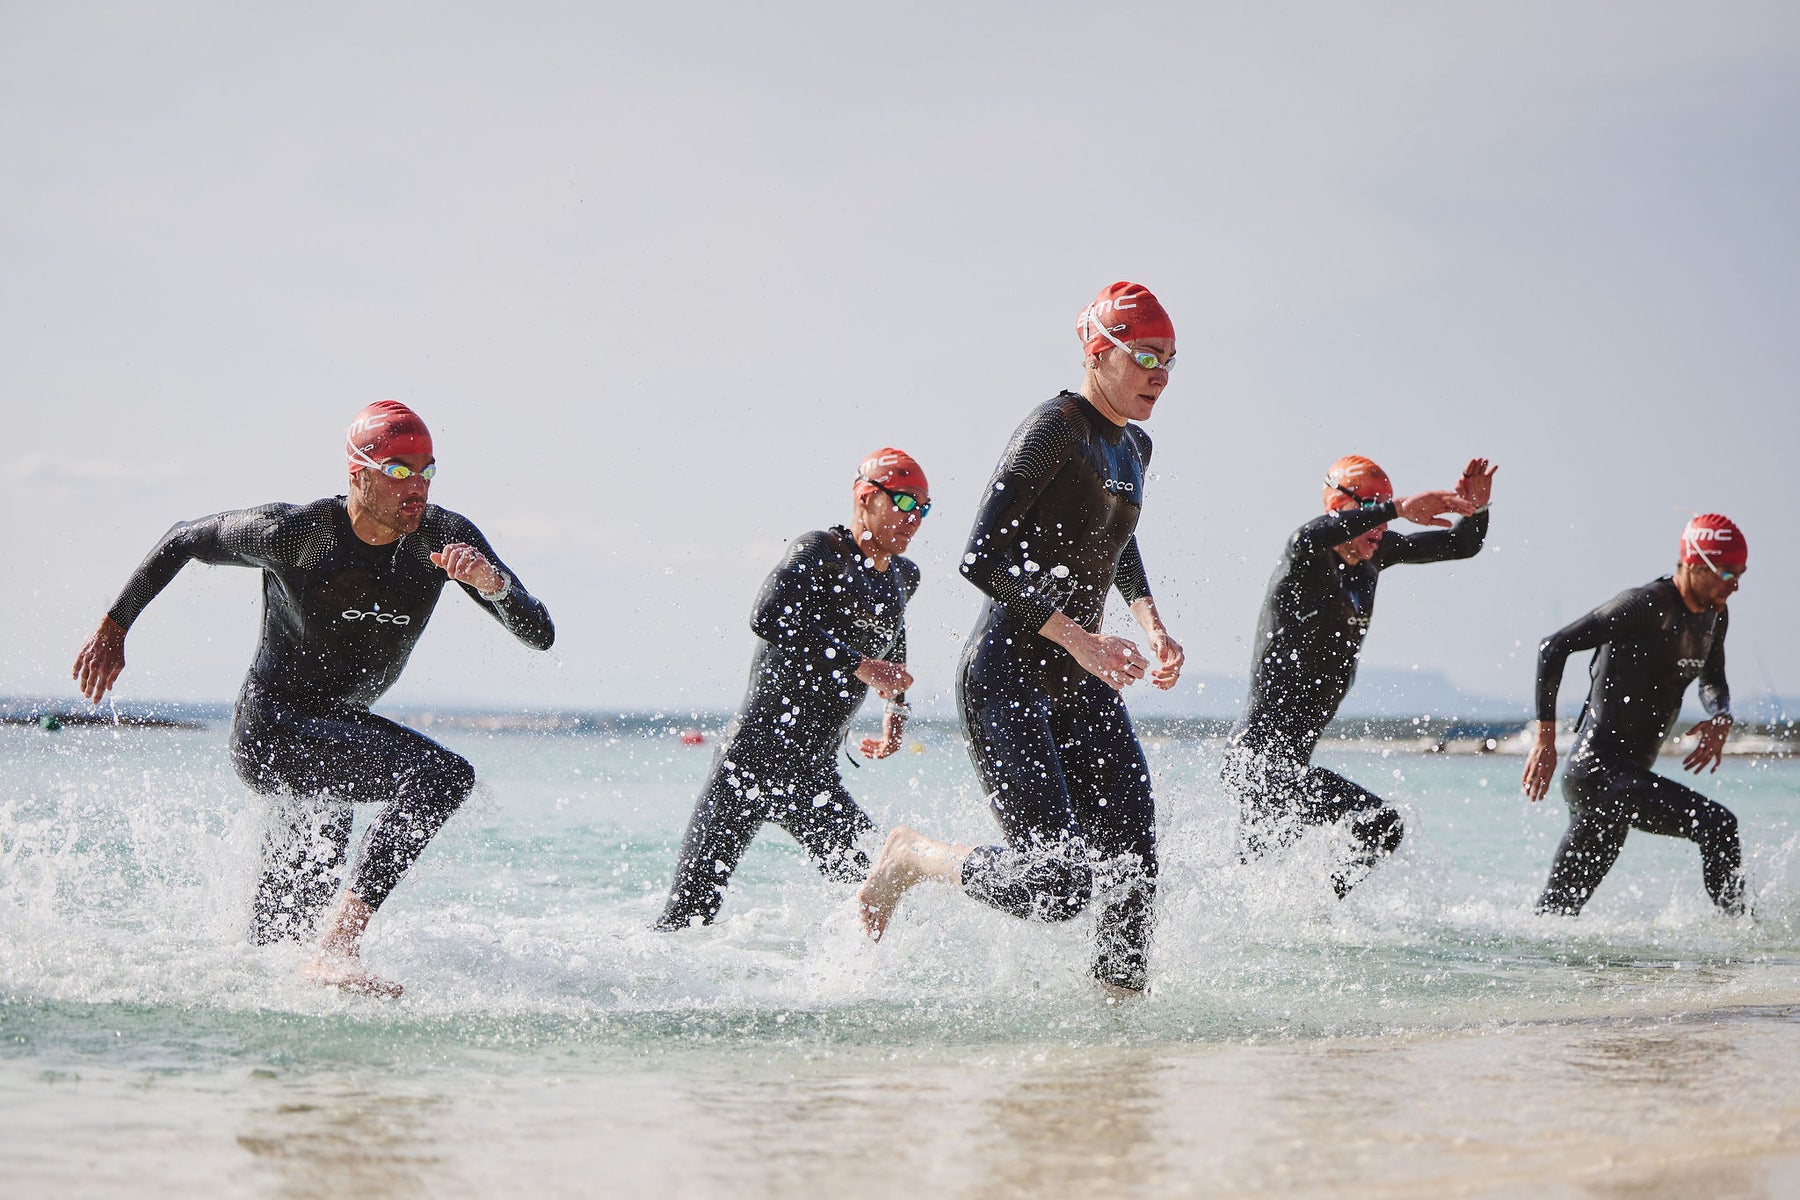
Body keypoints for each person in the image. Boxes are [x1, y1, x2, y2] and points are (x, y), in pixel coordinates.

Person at [71, 401, 554, 996]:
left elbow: (541, 633)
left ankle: (289, 1064)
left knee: (273, 956)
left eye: (427, 470)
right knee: (439, 777)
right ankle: (341, 945)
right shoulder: (298, 534)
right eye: (399, 470)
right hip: (274, 730)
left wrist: (493, 587)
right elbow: (185, 539)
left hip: (337, 737)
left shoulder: (444, 540)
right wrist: (115, 626)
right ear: (358, 474)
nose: (417, 486)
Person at [858, 281, 1185, 997]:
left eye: (1169, 359)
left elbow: (1115, 540)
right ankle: (911, 856)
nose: (1159, 374)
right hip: (1007, 674)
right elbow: (980, 557)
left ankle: (1117, 1058)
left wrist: (1150, 622)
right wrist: (1080, 640)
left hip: (1079, 673)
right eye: (1145, 355)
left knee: (1133, 866)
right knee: (1058, 886)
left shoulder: (1136, 446)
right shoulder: (1054, 430)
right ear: (1099, 352)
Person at [655, 449, 927, 928]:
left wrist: (895, 714)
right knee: (686, 918)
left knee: (883, 897)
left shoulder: (904, 576)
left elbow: (894, 636)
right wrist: (862, 665)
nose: (914, 520)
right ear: (867, 496)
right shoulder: (820, 551)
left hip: (812, 778)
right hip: (750, 763)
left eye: (924, 509)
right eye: (905, 503)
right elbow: (769, 616)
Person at [1222, 455, 1494, 896]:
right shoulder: (1305, 559)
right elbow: (1307, 533)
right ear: (1340, 506)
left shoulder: (1376, 555)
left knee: (1253, 888)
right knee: (1381, 824)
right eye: (1373, 510)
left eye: (1384, 512)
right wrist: (1399, 508)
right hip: (1257, 764)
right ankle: (1319, 912)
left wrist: (1476, 508)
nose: (1381, 528)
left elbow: (1461, 546)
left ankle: (1310, 917)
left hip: (1289, 764)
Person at [1522, 513, 1747, 916]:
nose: (1735, 585)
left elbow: (1714, 682)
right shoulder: (1645, 605)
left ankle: (1525, 972)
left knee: (1554, 916)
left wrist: (1721, 716)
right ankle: (1746, 941)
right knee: (1718, 827)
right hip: (1599, 774)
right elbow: (1552, 647)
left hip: (1621, 781)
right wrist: (1544, 740)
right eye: (1728, 573)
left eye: (1741, 573)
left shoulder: (1715, 614)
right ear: (1695, 564)